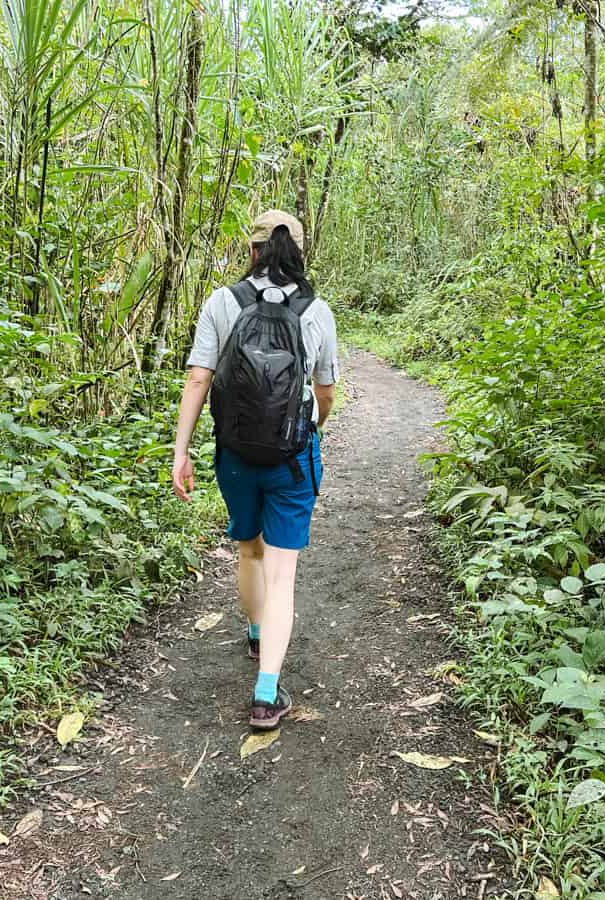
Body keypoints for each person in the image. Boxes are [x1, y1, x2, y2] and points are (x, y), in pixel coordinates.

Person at [172, 210, 339, 730]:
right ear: (299, 252)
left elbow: (200, 379)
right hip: (292, 458)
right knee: (282, 571)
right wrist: (312, 428)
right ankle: (266, 694)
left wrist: (182, 449)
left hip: (235, 453)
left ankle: (254, 631)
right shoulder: (317, 311)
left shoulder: (223, 302)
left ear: (252, 251)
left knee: (248, 548)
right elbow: (326, 391)